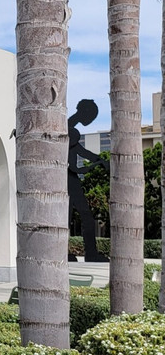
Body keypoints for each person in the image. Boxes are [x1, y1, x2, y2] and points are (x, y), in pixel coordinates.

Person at [68, 99, 106, 262]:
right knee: (78, 216)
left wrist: (98, 161)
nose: (91, 120)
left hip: (70, 178)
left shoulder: (70, 127)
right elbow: (77, 162)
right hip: (68, 178)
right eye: (91, 116)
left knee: (77, 217)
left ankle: (90, 253)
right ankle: (90, 253)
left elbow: (81, 152)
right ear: (84, 112)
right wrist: (96, 164)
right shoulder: (71, 130)